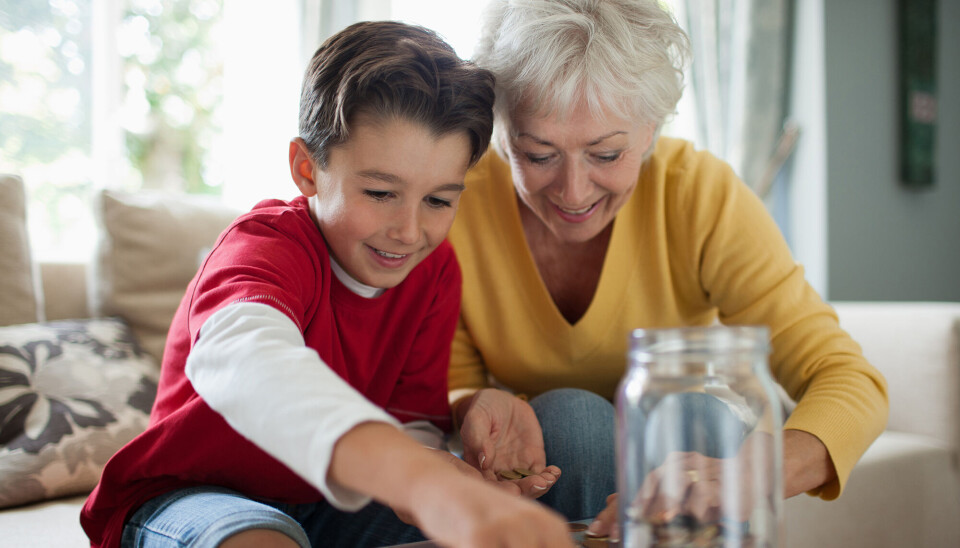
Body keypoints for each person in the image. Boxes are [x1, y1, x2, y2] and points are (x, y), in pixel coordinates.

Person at [80, 20, 575, 548]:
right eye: (381, 192)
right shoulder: (264, 248)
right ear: (307, 168)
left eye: (438, 200)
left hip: (325, 502)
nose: (409, 231)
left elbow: (409, 422)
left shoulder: (433, 272)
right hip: (194, 496)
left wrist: (443, 471)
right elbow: (250, 362)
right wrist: (414, 477)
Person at [446, 0, 889, 539]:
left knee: (693, 414)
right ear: (500, 131)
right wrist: (474, 403)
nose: (573, 192)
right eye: (538, 155)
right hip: (554, 450)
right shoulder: (458, 200)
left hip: (687, 434)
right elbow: (454, 382)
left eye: (606, 154)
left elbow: (846, 378)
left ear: (650, 129)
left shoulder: (699, 194)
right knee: (572, 421)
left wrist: (752, 474)